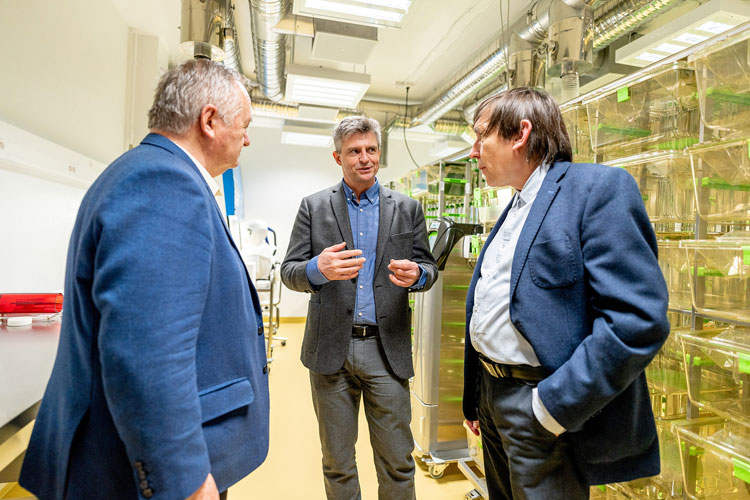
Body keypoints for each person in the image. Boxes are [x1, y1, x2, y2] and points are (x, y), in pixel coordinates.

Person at [20, 59, 269, 500]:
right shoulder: (165, 182)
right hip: (132, 474)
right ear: (209, 121)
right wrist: (185, 480)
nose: (247, 138)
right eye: (244, 125)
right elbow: (146, 352)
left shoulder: (143, 171)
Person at [462, 87, 669, 500]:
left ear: (520, 134)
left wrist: (552, 407)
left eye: (481, 135)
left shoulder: (596, 189)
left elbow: (637, 320)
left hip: (541, 406)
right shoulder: (517, 204)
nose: (473, 152)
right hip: (494, 399)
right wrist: (479, 397)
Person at [281, 116, 438, 500]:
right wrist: (318, 268)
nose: (364, 158)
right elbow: (289, 271)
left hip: (387, 351)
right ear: (338, 157)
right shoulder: (314, 207)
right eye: (354, 151)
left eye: (371, 150)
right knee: (337, 462)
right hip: (331, 349)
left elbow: (429, 269)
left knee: (397, 461)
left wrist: (417, 274)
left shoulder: (407, 208)